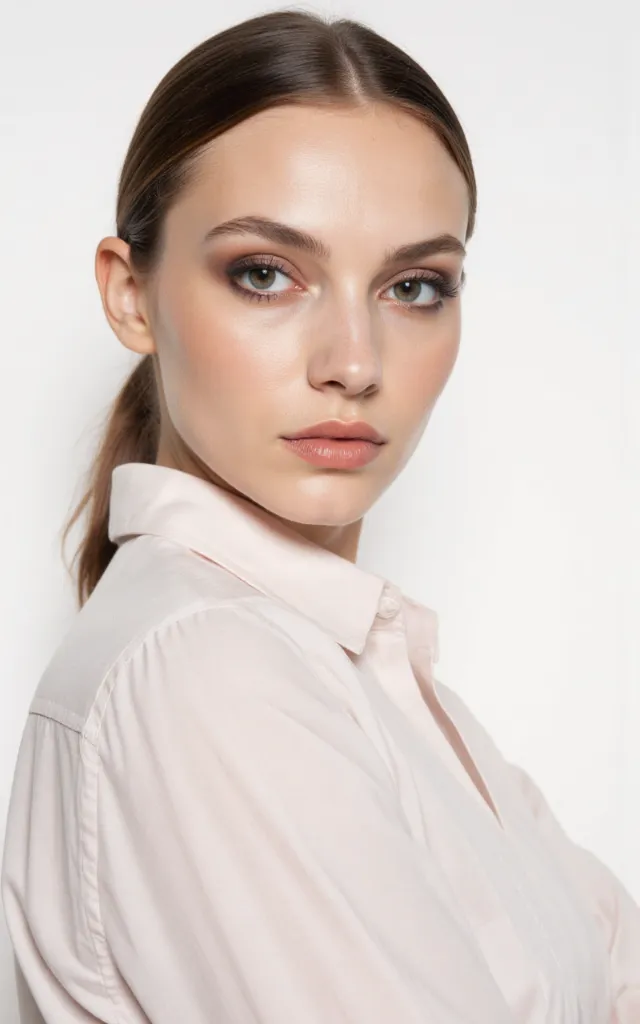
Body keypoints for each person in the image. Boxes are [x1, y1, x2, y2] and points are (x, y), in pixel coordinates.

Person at [1, 8, 638, 1023]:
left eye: (413, 285)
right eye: (265, 273)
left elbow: (612, 963)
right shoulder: (206, 666)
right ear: (130, 295)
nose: (354, 361)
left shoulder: (350, 662)